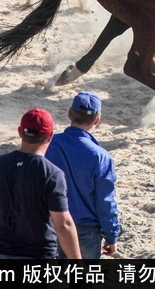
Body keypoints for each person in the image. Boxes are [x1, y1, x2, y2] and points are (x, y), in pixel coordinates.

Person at [0, 109, 82, 259]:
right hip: (39, 255)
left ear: (20, 132)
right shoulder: (51, 173)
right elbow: (63, 224)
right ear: (50, 136)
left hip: (3, 254)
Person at [45, 92, 122, 259]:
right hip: (86, 230)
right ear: (97, 120)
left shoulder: (48, 144)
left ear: (69, 114)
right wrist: (111, 235)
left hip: (52, 224)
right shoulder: (101, 156)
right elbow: (105, 200)